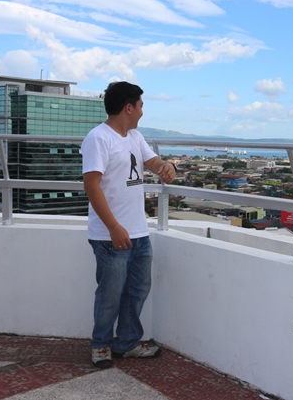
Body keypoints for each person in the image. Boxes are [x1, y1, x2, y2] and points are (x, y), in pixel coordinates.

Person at [81, 81, 176, 369]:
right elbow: (91, 185)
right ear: (129, 107)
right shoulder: (99, 138)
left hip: (138, 232)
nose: (143, 112)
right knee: (109, 295)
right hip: (110, 235)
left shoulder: (135, 136)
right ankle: (101, 345)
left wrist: (166, 167)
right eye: (141, 106)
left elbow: (153, 162)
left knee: (137, 290)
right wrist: (113, 227)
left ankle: (127, 343)